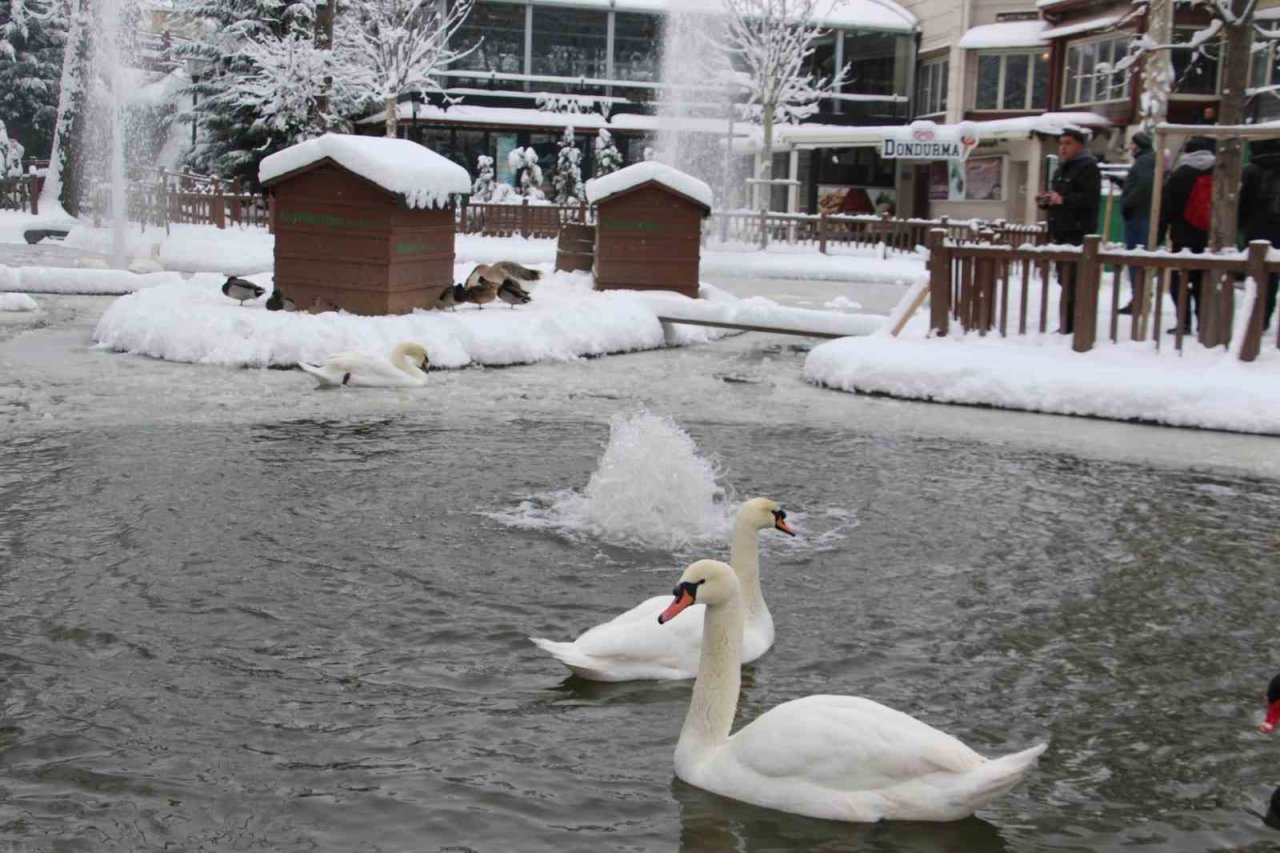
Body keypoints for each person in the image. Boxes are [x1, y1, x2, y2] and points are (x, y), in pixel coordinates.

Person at [1037, 128, 1101, 334]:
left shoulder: (1088, 168)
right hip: (1062, 233)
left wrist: (1064, 200)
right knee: (1065, 280)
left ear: (1080, 145)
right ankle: (1066, 323)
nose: (1063, 148)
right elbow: (1059, 197)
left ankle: (1073, 326)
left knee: (1074, 281)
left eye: (1068, 143)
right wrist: (1047, 201)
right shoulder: (1061, 169)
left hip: (1078, 233)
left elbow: (1090, 200)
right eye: (1061, 143)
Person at [1157, 136, 1215, 334]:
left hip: (1182, 236)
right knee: (1203, 279)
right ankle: (1204, 321)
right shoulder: (1218, 172)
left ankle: (1184, 322)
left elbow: (1166, 209)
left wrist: (1158, 235)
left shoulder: (1179, 175)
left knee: (1180, 280)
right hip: (1208, 236)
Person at [1238, 137, 1280, 330]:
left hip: (1255, 227)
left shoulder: (1250, 171)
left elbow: (1242, 202)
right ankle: (1266, 313)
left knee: (1255, 272)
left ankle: (1255, 316)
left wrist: (1240, 224)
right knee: (1273, 272)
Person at [1117, 131, 1155, 314]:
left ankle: (1140, 298)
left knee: (1136, 257)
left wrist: (1130, 203)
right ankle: (1140, 296)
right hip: (1141, 214)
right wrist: (1123, 184)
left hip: (1139, 216)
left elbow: (1145, 185)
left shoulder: (1145, 161)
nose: (1130, 148)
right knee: (1137, 258)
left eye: (1132, 144)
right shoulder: (1147, 160)